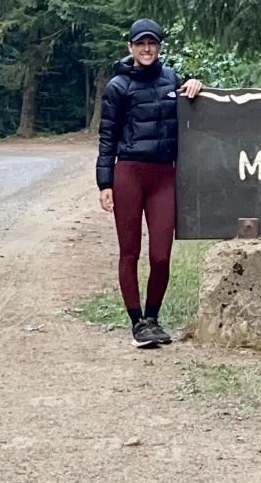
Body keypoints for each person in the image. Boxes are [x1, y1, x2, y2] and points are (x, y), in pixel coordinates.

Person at [97, 18, 202, 349]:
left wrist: (196, 84)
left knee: (161, 255)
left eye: (152, 43)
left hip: (163, 175)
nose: (146, 49)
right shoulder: (117, 86)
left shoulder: (171, 78)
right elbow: (106, 138)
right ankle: (136, 321)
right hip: (128, 173)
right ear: (130, 47)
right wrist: (105, 183)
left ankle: (153, 319)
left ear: (158, 47)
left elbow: (191, 99)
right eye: (140, 43)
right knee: (130, 252)